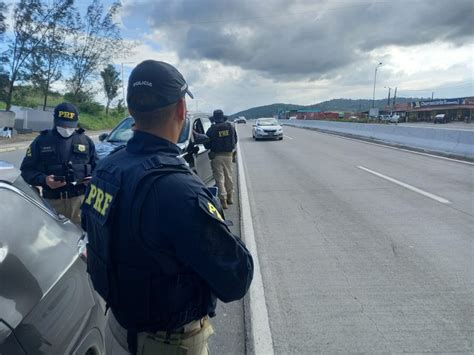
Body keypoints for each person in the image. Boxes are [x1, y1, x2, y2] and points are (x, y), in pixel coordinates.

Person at [81, 60, 253, 355]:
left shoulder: (107, 168)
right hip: (168, 343)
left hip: (117, 327)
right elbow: (236, 279)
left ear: (132, 111)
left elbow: (92, 230)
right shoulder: (179, 191)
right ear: (182, 110)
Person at [20, 102, 97, 224]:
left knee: (81, 237)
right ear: (55, 121)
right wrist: (44, 180)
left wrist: (93, 178)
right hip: (53, 204)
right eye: (63, 126)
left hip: (80, 203)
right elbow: (26, 170)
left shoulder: (86, 142)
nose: (66, 129)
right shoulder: (42, 141)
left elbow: (98, 169)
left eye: (70, 126)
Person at [205, 110, 237, 209]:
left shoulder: (211, 129)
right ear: (223, 118)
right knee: (229, 176)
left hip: (217, 156)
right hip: (228, 155)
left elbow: (206, 144)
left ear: (214, 119)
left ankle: (223, 200)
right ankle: (230, 197)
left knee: (219, 178)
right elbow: (235, 140)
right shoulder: (230, 127)